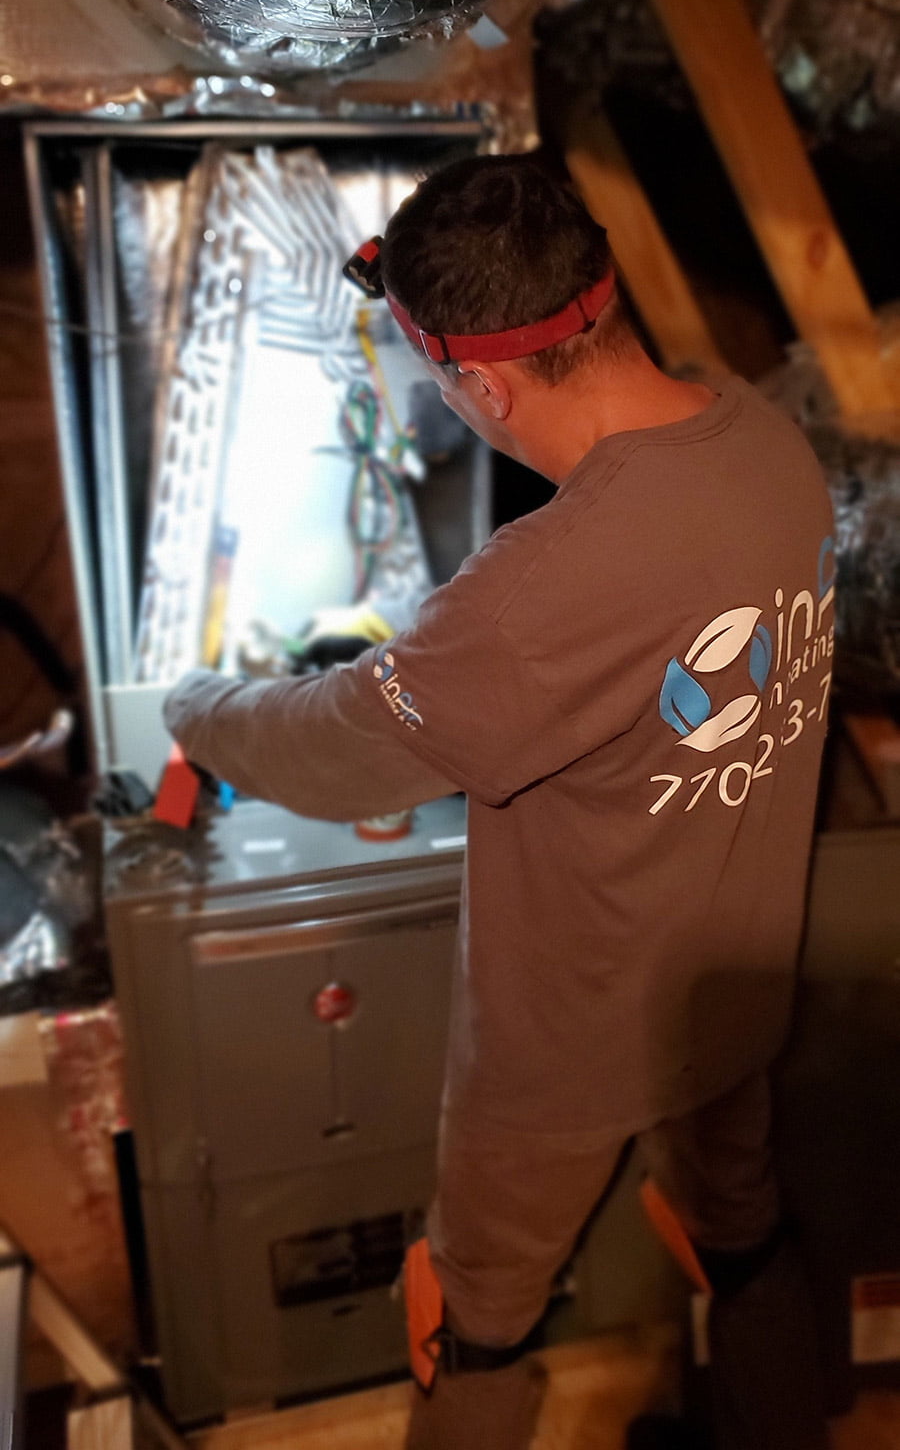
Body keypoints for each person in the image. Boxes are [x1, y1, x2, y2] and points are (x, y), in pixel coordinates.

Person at [164, 153, 835, 1450]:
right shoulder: (768, 441)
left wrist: (196, 706)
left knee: (471, 1313)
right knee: (742, 1234)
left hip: (565, 1045)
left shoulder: (537, 595)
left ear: (476, 382)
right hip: (736, 993)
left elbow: (340, 748)